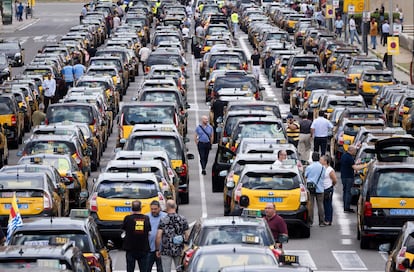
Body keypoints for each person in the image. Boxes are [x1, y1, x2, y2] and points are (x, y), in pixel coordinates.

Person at [155, 200, 189, 272]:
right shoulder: (182, 219)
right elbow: (187, 235)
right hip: (179, 249)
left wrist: (157, 249)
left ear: (166, 207)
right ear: (175, 206)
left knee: (166, 270)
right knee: (180, 269)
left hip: (166, 249)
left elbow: (158, 236)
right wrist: (186, 247)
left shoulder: (163, 220)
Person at [121, 200, 151, 272]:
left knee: (130, 269)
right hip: (143, 248)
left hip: (130, 248)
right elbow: (149, 231)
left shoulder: (127, 218)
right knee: (144, 269)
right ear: (140, 208)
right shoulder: (146, 218)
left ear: (132, 208)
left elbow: (123, 229)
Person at [340, 145, 368, 213]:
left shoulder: (344, 156)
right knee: (348, 192)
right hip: (349, 177)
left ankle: (345, 206)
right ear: (351, 150)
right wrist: (366, 165)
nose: (355, 152)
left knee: (345, 191)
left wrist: (357, 163)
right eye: (355, 151)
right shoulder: (350, 158)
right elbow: (356, 168)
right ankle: (347, 207)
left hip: (343, 176)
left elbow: (350, 165)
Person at [305, 152, 327, 227]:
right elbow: (323, 176)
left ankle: (310, 221)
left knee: (311, 205)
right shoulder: (322, 167)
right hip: (320, 188)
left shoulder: (309, 167)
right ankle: (321, 221)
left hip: (310, 188)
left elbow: (305, 176)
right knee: (320, 205)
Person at [146, 200, 166, 272]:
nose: (153, 211)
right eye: (152, 209)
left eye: (155, 209)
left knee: (161, 269)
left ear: (159, 208)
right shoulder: (146, 217)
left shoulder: (165, 217)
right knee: (147, 269)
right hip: (149, 249)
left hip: (161, 249)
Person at [320, 155, 336, 225]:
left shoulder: (330, 170)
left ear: (325, 162)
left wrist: (331, 186)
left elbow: (335, 180)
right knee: (323, 205)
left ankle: (328, 220)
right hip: (321, 189)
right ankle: (324, 219)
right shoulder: (321, 168)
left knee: (328, 205)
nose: (320, 161)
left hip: (328, 188)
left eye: (321, 160)